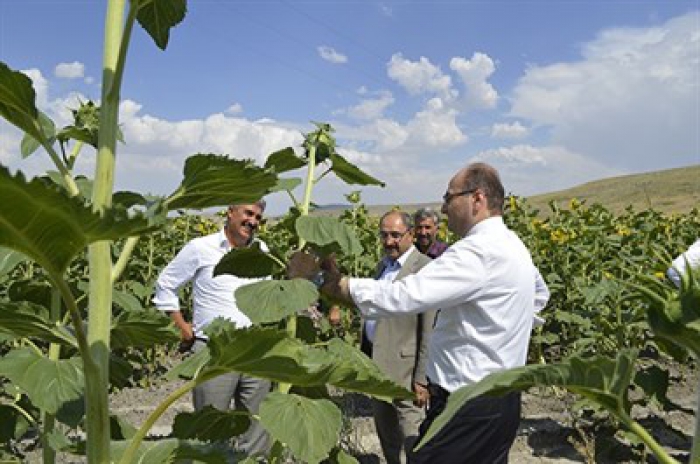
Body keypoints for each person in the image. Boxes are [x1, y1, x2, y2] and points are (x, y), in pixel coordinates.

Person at [289, 162, 550, 463]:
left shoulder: (479, 251)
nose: (443, 207)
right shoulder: (512, 245)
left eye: (449, 197)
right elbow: (539, 295)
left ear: (477, 198)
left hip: (467, 403)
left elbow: (403, 295)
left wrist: (327, 282)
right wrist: (504, 330)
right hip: (502, 399)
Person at [153, 201, 271, 456]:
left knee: (258, 425)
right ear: (230, 212)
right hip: (214, 349)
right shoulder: (201, 248)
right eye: (248, 214)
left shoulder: (262, 250)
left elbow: (268, 296)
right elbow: (165, 285)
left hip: (255, 349)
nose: (253, 221)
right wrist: (182, 327)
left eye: (258, 217)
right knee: (210, 428)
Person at [361, 211, 436, 464]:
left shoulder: (424, 268)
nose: (389, 241)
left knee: (414, 439)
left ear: (411, 234)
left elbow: (428, 328)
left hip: (406, 373)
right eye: (384, 235)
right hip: (377, 368)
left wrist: (422, 378)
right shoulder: (382, 266)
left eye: (395, 235)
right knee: (388, 439)